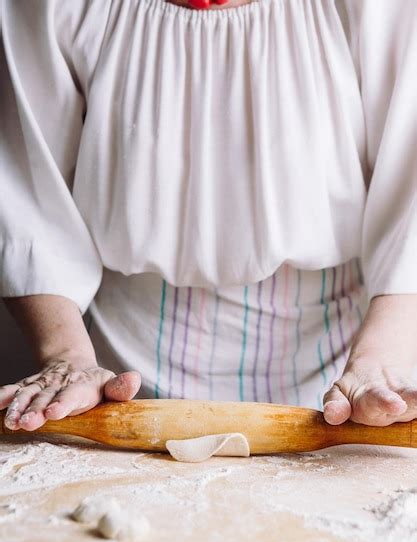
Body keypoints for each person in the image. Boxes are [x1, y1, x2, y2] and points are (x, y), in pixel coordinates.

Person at [0, 0, 416, 433]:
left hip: (342, 380)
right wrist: (67, 358)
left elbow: (411, 195)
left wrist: (380, 364)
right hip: (117, 383)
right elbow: (26, 188)